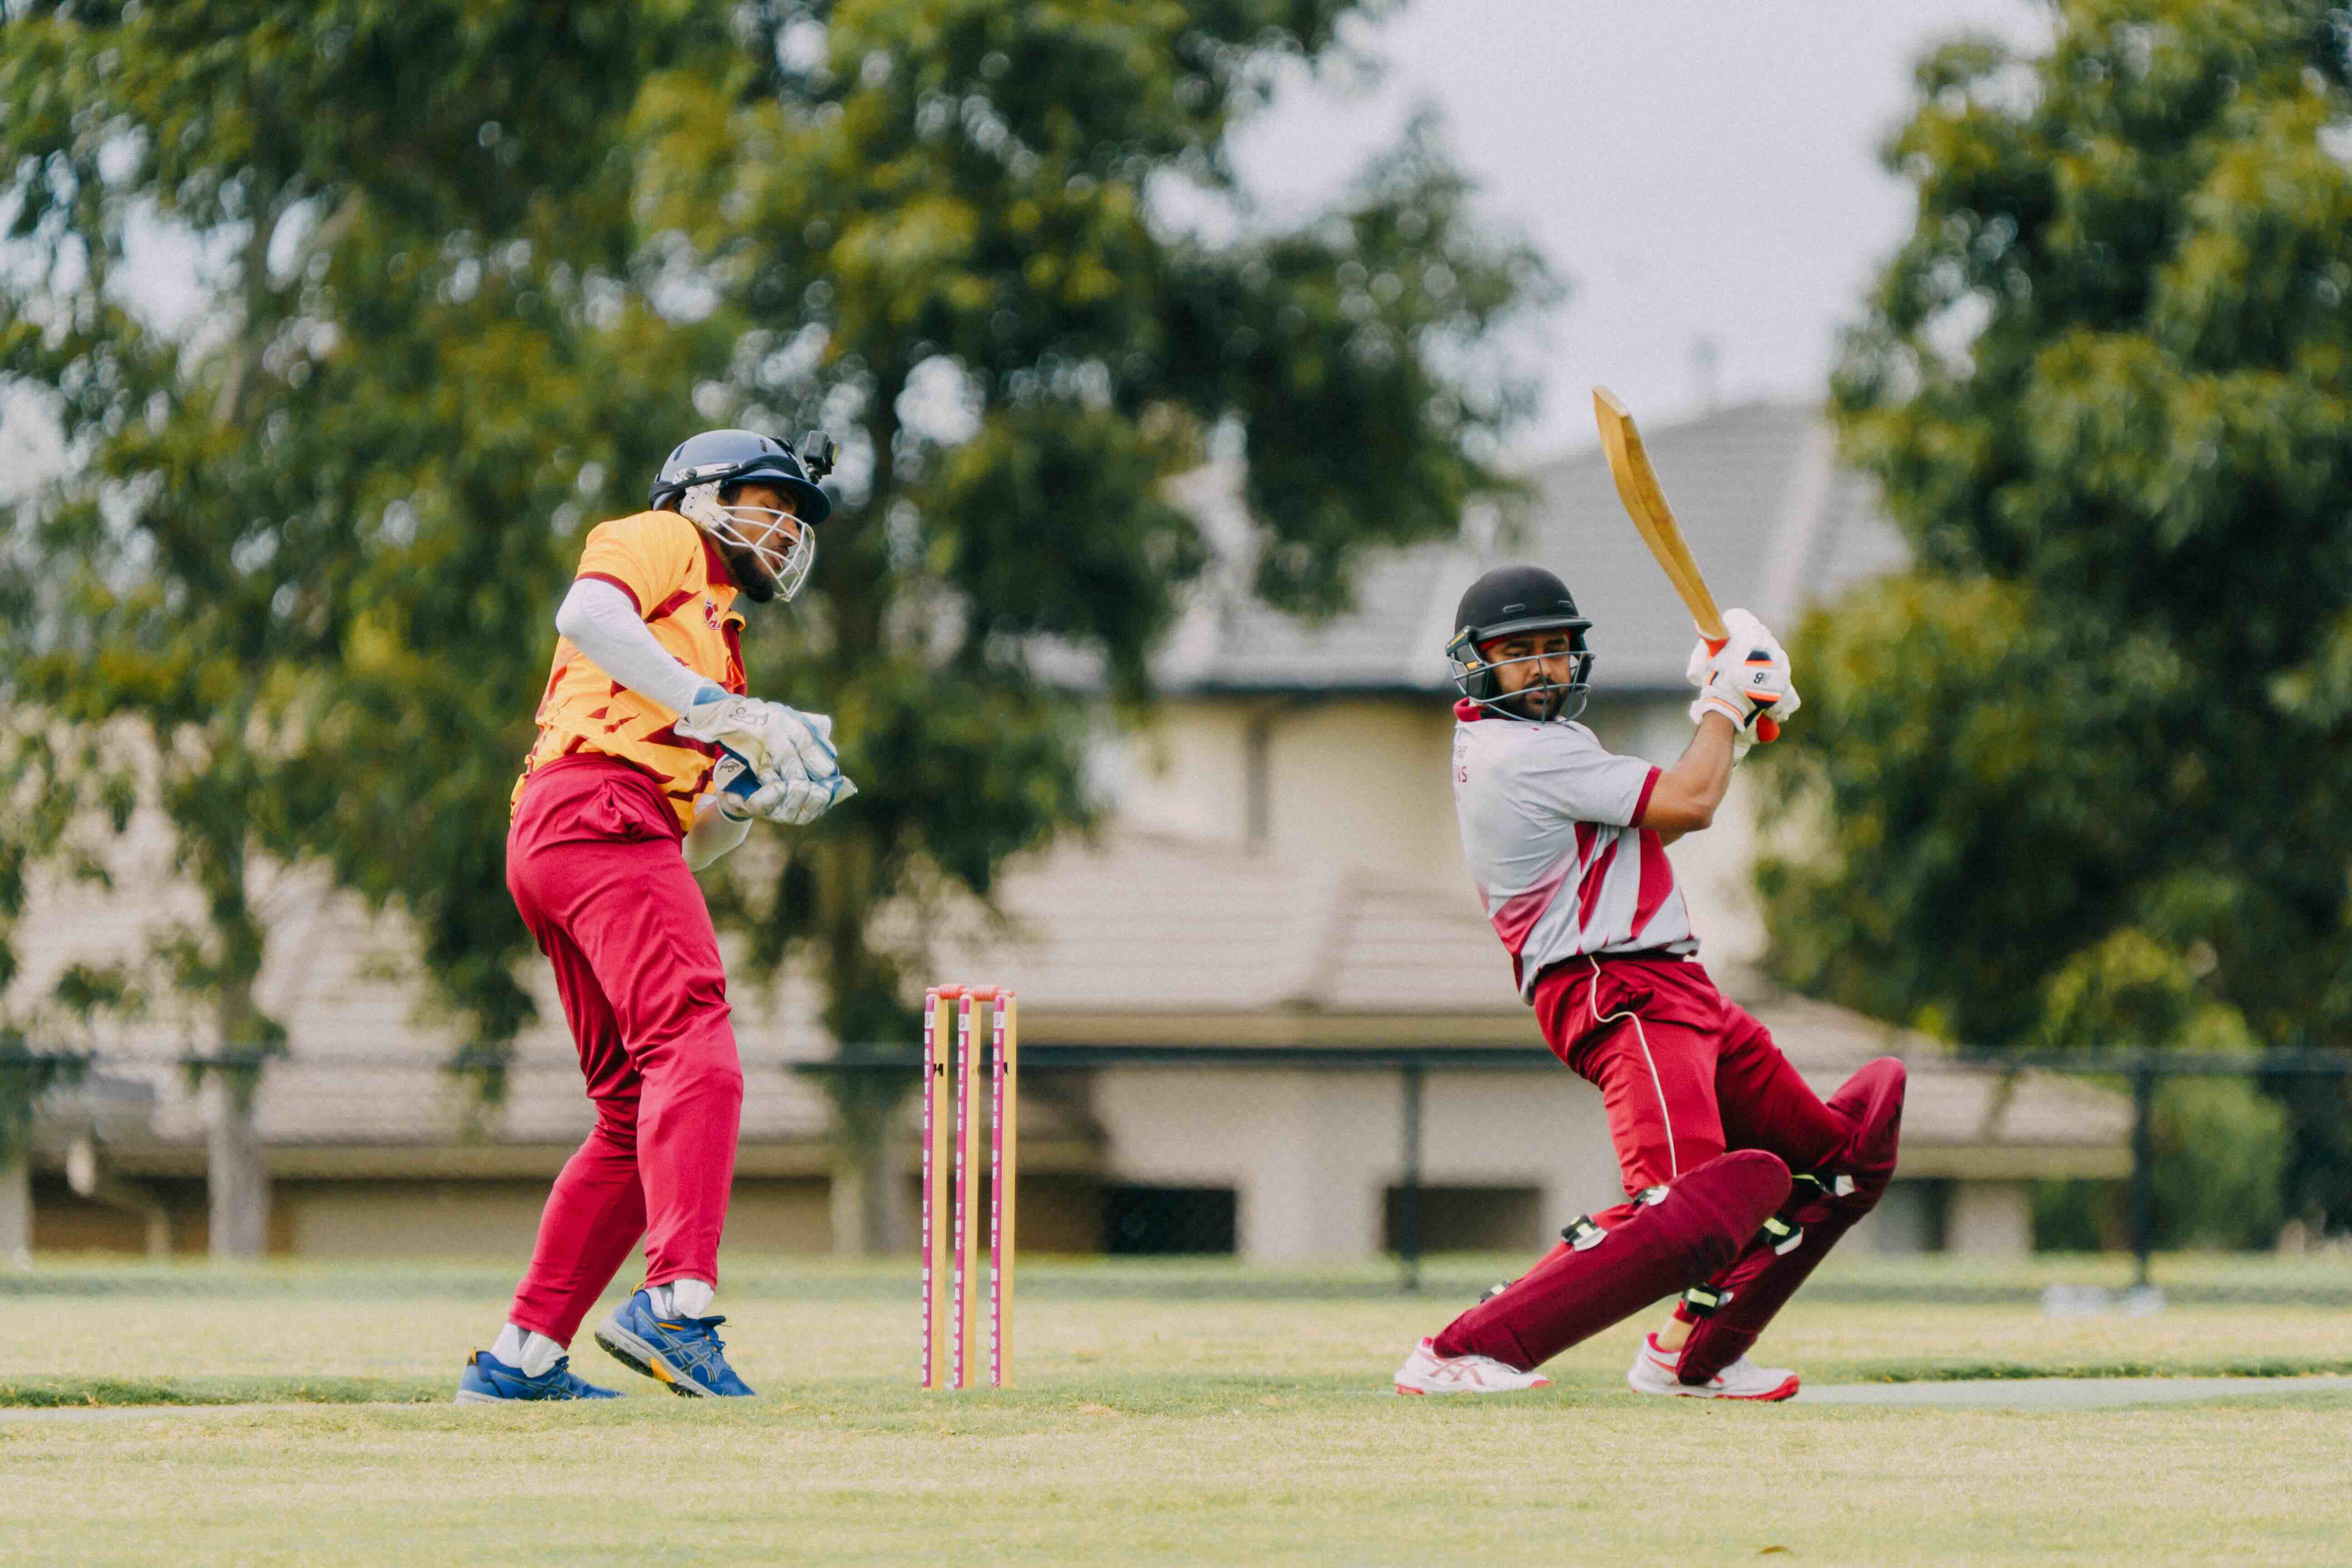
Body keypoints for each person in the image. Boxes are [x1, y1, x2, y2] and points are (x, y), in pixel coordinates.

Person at [1389, 565, 1904, 1400]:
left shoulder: (1544, 746)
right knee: (1688, 1212)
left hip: (1673, 984)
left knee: (1836, 1164)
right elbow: (1692, 802)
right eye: (1518, 653)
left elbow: (1658, 812)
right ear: (1474, 662)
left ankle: (1693, 1357)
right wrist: (1725, 707)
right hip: (1613, 987)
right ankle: (1461, 1349)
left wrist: (1727, 722)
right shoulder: (1519, 754)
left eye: (1556, 650)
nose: (1542, 668)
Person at [457, 429, 853, 1403]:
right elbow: (586, 611)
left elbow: (690, 840)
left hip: (572, 831)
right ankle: (674, 1308)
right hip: (593, 809)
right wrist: (720, 711)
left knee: (636, 1109)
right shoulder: (660, 538)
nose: (789, 526)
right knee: (696, 1046)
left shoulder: (717, 639)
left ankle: (521, 1359)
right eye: (774, 500)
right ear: (704, 493)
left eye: (798, 514)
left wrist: (748, 801)